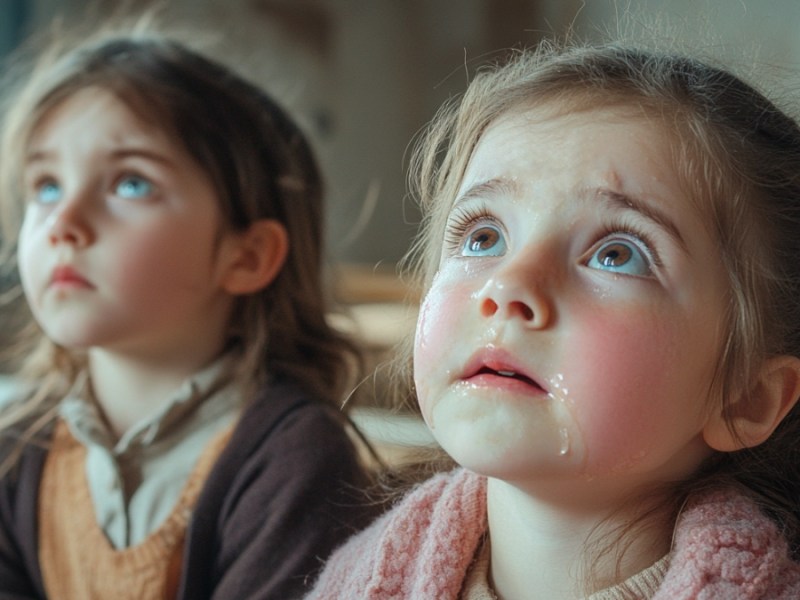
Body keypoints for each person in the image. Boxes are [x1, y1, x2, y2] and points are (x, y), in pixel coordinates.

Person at [306, 39, 800, 599]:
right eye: (483, 236)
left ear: (744, 398)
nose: (508, 285)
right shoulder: (351, 581)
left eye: (617, 254)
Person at [0, 23, 377, 600]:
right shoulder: (17, 445)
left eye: (130, 183)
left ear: (246, 256)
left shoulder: (290, 459)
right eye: (46, 186)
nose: (63, 222)